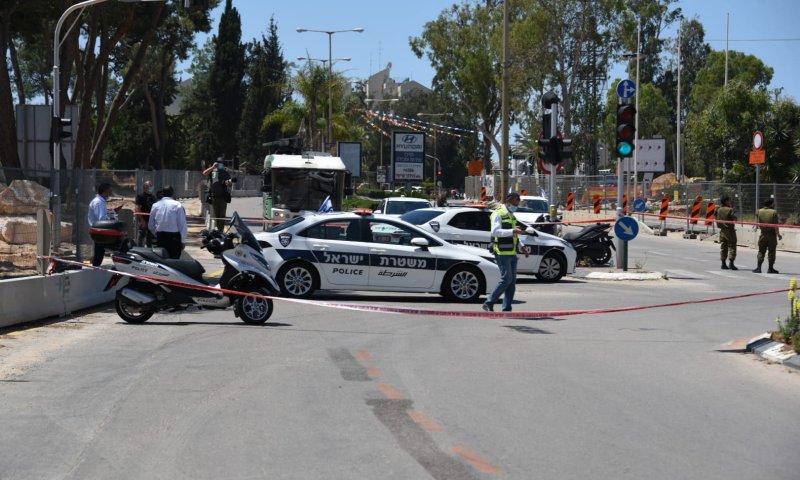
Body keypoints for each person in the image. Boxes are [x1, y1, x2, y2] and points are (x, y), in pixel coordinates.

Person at [482, 192, 527, 313]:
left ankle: (506, 309)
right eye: (515, 203)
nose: (516, 205)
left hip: (512, 252)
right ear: (509, 201)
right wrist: (512, 231)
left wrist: (522, 247)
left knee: (511, 283)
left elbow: (514, 236)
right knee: (506, 279)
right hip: (501, 252)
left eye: (517, 203)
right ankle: (488, 302)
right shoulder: (498, 213)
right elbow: (495, 232)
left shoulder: (511, 215)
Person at [148, 185, 188, 260]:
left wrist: (156, 233)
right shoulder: (178, 205)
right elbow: (182, 225)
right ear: (173, 193)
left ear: (162, 193)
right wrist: (183, 241)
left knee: (161, 261)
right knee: (174, 261)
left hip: (161, 237)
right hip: (174, 238)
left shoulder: (155, 205)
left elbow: (150, 225)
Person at [87, 182, 121, 266]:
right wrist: (112, 220)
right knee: (102, 249)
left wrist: (113, 211)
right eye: (110, 190)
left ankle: (96, 266)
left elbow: (103, 215)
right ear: (106, 190)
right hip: (99, 230)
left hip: (99, 229)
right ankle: (96, 266)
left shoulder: (100, 201)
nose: (111, 192)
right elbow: (102, 218)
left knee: (100, 250)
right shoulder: (99, 202)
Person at [752, 198, 783, 274]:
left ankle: (759, 268)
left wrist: (755, 228)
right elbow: (775, 225)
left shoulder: (759, 211)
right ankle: (770, 268)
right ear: (771, 204)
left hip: (763, 234)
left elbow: (756, 222)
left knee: (761, 251)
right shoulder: (774, 212)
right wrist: (778, 234)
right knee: (771, 251)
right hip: (771, 235)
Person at [202, 161, 232, 231]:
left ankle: (220, 231)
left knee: (222, 215)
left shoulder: (225, 173)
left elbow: (230, 184)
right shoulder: (212, 172)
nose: (219, 166)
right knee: (216, 216)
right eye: (218, 164)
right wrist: (212, 167)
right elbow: (204, 173)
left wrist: (228, 183)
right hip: (214, 197)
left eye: (220, 164)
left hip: (223, 198)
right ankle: (217, 230)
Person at [716, 195, 737, 270]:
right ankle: (731, 263)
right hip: (730, 230)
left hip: (722, 231)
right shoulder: (730, 210)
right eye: (728, 200)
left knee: (723, 247)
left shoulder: (718, 209)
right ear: (726, 201)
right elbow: (735, 218)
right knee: (732, 246)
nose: (729, 202)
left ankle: (723, 263)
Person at [134, 180, 156, 247]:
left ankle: (149, 250)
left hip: (151, 220)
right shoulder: (140, 196)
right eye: (150, 186)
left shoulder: (153, 197)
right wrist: (142, 220)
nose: (152, 187)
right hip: (143, 220)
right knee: (141, 235)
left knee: (150, 237)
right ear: (145, 187)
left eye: (152, 186)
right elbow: (137, 209)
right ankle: (139, 250)